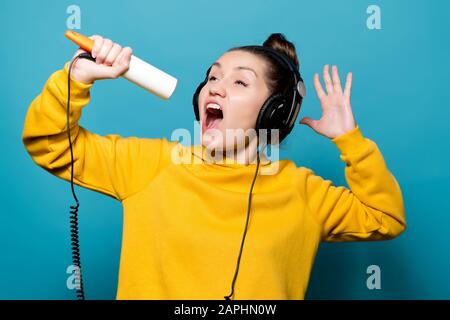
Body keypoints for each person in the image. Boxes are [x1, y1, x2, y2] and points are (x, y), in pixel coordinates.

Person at [22, 33, 406, 300]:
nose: (215, 87)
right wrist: (74, 80)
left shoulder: (303, 192)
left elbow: (385, 217)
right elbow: (51, 143)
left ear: (275, 113)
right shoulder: (151, 166)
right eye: (212, 77)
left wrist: (349, 140)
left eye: (240, 83)